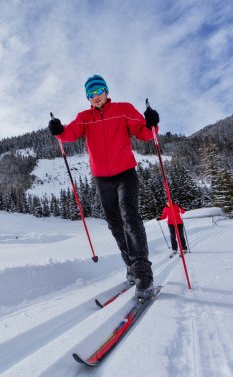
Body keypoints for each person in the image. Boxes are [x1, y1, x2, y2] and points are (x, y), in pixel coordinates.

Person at [48, 74, 160, 300]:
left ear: (106, 91)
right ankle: (130, 264)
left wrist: (152, 122)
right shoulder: (84, 117)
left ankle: (143, 274)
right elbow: (68, 134)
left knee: (130, 217)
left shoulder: (123, 109)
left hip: (125, 173)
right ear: (87, 98)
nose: (96, 97)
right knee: (115, 224)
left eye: (99, 92)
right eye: (91, 94)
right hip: (102, 178)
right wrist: (58, 129)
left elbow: (145, 134)